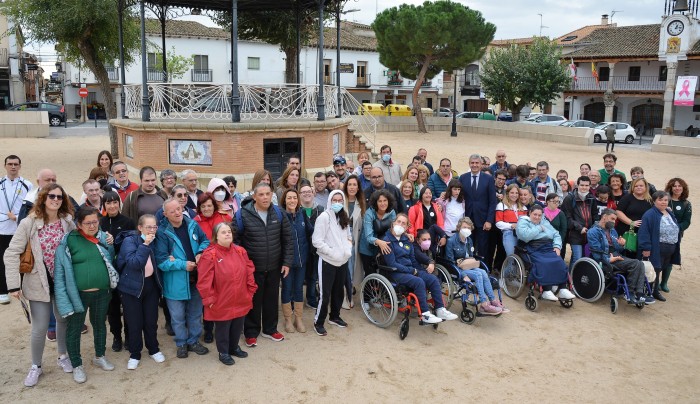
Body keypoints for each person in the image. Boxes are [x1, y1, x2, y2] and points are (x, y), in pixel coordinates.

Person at [4, 184, 74, 387]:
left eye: (60, 197)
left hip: (61, 281)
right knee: (40, 326)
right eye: (51, 196)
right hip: (37, 282)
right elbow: (11, 253)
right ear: (43, 198)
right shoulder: (29, 223)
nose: (56, 199)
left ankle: (63, 356)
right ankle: (36, 366)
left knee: (62, 321)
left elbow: (78, 244)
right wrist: (13, 285)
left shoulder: (67, 222)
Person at [54, 207, 116, 384]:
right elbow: (60, 272)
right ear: (78, 224)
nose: (92, 226)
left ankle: (100, 356)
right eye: (87, 223)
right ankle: (77, 364)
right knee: (74, 329)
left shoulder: (104, 237)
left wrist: (109, 243)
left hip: (102, 292)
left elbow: (111, 259)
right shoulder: (68, 241)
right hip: (78, 295)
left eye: (95, 222)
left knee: (100, 325)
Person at [233, 183, 293, 347]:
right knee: (253, 300)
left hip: (274, 266)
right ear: (254, 196)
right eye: (261, 194)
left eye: (268, 194)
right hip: (252, 268)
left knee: (271, 299)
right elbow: (235, 243)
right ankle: (251, 332)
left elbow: (288, 239)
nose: (265, 197)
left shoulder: (279, 213)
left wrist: (287, 262)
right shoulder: (242, 215)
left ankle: (270, 329)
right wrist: (242, 265)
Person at [154, 198, 210, 359]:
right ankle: (181, 343)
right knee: (177, 317)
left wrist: (200, 252)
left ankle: (193, 341)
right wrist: (182, 265)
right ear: (165, 214)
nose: (177, 213)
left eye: (179, 209)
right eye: (173, 211)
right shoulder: (163, 233)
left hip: (196, 278)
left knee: (195, 313)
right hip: (176, 282)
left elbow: (205, 240)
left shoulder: (192, 223)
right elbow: (162, 261)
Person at [197, 222, 257, 366]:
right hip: (221, 299)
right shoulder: (209, 254)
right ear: (216, 236)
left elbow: (249, 271)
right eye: (223, 232)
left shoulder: (240, 251)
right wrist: (209, 298)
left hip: (240, 296)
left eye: (229, 231)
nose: (227, 234)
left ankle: (234, 347)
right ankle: (223, 352)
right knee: (223, 328)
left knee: (237, 324)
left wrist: (250, 290)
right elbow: (204, 280)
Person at [383, 214, 456, 322]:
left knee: (432, 278)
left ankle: (440, 309)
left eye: (404, 223)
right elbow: (392, 264)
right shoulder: (387, 240)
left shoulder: (407, 240)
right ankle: (425, 314)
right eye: (398, 222)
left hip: (409, 270)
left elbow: (413, 260)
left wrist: (421, 271)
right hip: (395, 273)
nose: (400, 225)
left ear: (407, 227)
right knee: (419, 282)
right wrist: (412, 271)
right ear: (393, 223)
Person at [115, 214, 166, 370]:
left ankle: (153, 349)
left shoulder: (158, 240)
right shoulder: (130, 241)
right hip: (131, 286)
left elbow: (161, 257)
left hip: (151, 284)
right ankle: (135, 353)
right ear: (140, 228)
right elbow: (135, 263)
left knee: (151, 320)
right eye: (148, 227)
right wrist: (145, 244)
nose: (152, 230)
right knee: (134, 322)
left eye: (154, 227)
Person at [311, 190, 353, 336]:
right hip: (328, 261)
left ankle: (334, 316)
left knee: (338, 291)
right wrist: (332, 252)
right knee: (325, 294)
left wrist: (347, 250)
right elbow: (317, 241)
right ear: (329, 201)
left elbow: (348, 236)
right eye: (334, 200)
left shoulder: (343, 216)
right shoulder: (324, 217)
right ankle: (319, 321)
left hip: (342, 261)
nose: (337, 203)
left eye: (339, 200)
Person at [587, 209, 651, 305]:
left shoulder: (612, 231)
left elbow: (619, 250)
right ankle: (629, 292)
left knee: (640, 263)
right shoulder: (593, 232)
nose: (613, 222)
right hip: (605, 259)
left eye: (615, 220)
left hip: (616, 256)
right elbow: (596, 253)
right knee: (635, 264)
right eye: (612, 219)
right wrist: (609, 259)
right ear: (604, 217)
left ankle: (639, 293)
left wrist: (621, 244)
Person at [99, 190, 136, 352]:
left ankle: (129, 336)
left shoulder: (128, 222)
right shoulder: (100, 223)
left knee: (127, 306)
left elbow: (132, 244)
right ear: (104, 205)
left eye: (115, 202)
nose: (112, 205)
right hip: (106, 272)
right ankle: (116, 336)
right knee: (112, 308)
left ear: (119, 204)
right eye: (108, 203)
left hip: (124, 271)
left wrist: (116, 242)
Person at [445, 217, 504, 315]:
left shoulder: (469, 240)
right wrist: (463, 275)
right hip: (458, 269)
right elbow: (450, 261)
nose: (466, 230)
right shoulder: (451, 241)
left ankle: (493, 300)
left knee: (484, 272)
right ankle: (484, 304)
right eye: (464, 227)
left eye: (468, 228)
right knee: (478, 275)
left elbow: (471, 257)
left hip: (470, 265)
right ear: (459, 227)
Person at [516, 205, 575, 302]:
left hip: (547, 246)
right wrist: (539, 228)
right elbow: (525, 236)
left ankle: (562, 288)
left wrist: (557, 246)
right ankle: (546, 290)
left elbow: (556, 234)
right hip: (532, 247)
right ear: (530, 213)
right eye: (535, 214)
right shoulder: (523, 221)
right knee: (544, 263)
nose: (537, 217)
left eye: (539, 215)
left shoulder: (544, 221)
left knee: (559, 261)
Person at [0, 154, 33, 304]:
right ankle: (2, 290)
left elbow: (31, 206)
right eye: (10, 164)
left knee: (22, 259)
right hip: (2, 228)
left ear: (20, 166)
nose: (13, 166)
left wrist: (18, 217)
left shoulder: (27, 184)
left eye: (15, 164)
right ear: (5, 166)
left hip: (20, 228)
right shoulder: (0, 183)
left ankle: (19, 288)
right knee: (3, 259)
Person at [280, 189, 313, 334]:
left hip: (302, 260)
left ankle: (298, 318)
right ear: (284, 200)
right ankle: (288, 319)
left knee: (299, 288)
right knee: (287, 288)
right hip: (286, 262)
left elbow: (310, 233)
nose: (292, 200)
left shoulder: (302, 214)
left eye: (294, 198)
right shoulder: (280, 216)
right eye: (289, 198)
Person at [639, 191, 681, 302]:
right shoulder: (650, 214)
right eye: (660, 200)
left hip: (670, 248)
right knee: (655, 269)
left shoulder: (668, 212)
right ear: (654, 201)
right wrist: (646, 248)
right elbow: (644, 232)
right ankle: (652, 291)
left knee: (661, 268)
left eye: (666, 200)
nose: (663, 202)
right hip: (657, 247)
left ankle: (654, 289)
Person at [460, 154, 497, 267]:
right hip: (467, 220)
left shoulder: (489, 179)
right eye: (472, 163)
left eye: (477, 163)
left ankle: (483, 269)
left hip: (483, 220)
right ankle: (468, 268)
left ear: (481, 164)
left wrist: (489, 220)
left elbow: (492, 201)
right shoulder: (463, 177)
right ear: (469, 163)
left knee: (482, 248)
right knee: (467, 246)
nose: (474, 165)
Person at [662, 178, 691, 292]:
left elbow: (686, 221)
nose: (677, 188)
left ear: (683, 188)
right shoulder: (665, 200)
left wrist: (675, 228)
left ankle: (664, 283)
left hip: (676, 235)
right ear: (670, 187)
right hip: (661, 233)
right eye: (674, 186)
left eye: (679, 186)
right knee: (659, 257)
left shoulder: (686, 204)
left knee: (670, 257)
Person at [562, 176, 598, 269]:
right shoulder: (569, 199)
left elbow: (595, 215)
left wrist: (594, 228)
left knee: (584, 258)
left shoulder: (591, 198)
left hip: (588, 233)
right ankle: (571, 282)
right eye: (582, 185)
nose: (584, 187)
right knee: (577, 258)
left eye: (586, 185)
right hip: (575, 233)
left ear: (590, 186)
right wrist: (579, 228)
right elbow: (567, 217)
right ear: (577, 185)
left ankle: (575, 280)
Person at [359, 189, 397, 276]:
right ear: (375, 202)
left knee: (384, 274)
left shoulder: (392, 212)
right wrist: (379, 242)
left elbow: (394, 230)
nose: (383, 203)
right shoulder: (369, 213)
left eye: (385, 200)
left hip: (384, 246)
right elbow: (368, 236)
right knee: (370, 275)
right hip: (367, 249)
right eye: (380, 201)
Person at [299, 183, 324, 309]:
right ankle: (296, 299)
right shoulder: (297, 210)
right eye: (303, 192)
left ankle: (311, 298)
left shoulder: (320, 209)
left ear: (313, 193)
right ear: (299, 195)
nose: (307, 194)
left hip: (316, 249)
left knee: (313, 275)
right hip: (301, 248)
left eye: (309, 191)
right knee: (299, 275)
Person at [343, 175, 365, 309]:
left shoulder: (361, 202)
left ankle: (348, 295)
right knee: (343, 268)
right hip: (341, 239)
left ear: (358, 187)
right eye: (349, 184)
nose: (352, 187)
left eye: (354, 185)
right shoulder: (341, 199)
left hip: (355, 240)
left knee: (351, 268)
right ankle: (343, 295)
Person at [615, 178, 653, 256]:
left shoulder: (650, 200)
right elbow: (618, 212)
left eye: (641, 186)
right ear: (632, 187)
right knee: (625, 255)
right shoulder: (627, 198)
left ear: (646, 187)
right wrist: (631, 222)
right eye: (636, 186)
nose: (639, 187)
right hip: (626, 232)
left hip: (642, 233)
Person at [495, 184, 528, 256]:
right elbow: (498, 223)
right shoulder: (501, 205)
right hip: (509, 232)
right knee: (512, 256)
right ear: (507, 193)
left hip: (522, 234)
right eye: (512, 193)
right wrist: (511, 225)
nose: (514, 195)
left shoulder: (523, 207)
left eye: (516, 193)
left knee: (522, 257)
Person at [543, 193, 567, 260]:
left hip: (557, 240)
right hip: (544, 240)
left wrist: (559, 241)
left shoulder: (560, 213)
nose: (556, 203)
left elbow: (563, 229)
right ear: (547, 202)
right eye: (554, 201)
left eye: (558, 201)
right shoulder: (542, 212)